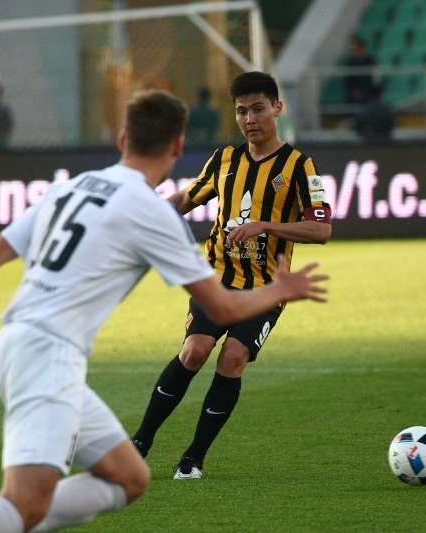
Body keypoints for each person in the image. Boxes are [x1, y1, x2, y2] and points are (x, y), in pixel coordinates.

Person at [0, 89, 329, 532]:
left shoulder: (74, 187)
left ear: (122, 139)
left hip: (16, 344)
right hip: (47, 357)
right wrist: (281, 289)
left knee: (128, 478)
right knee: (22, 503)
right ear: (178, 147)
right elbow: (221, 307)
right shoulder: (153, 213)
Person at [130, 72, 333, 480]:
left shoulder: (301, 166)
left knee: (233, 358)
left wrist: (265, 225)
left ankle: (193, 458)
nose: (250, 119)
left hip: (266, 289)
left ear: (277, 108)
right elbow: (186, 199)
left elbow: (321, 229)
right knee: (195, 351)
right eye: (241, 111)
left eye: (258, 109)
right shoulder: (225, 159)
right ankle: (140, 442)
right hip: (217, 279)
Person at [344, 35, 377, 105]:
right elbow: (349, 80)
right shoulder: (350, 63)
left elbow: (374, 79)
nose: (354, 52)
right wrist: (354, 91)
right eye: (352, 50)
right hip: (354, 95)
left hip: (368, 92)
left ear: (362, 48)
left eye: (356, 49)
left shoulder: (370, 61)